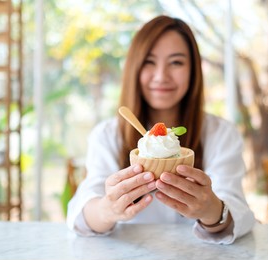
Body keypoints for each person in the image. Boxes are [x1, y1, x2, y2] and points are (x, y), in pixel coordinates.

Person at [67, 15, 255, 244]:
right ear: (134, 67)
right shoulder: (106, 135)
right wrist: (107, 210)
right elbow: (81, 211)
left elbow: (237, 208)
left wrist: (210, 210)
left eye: (176, 62)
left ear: (193, 71)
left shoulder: (221, 133)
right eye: (149, 61)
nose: (161, 76)